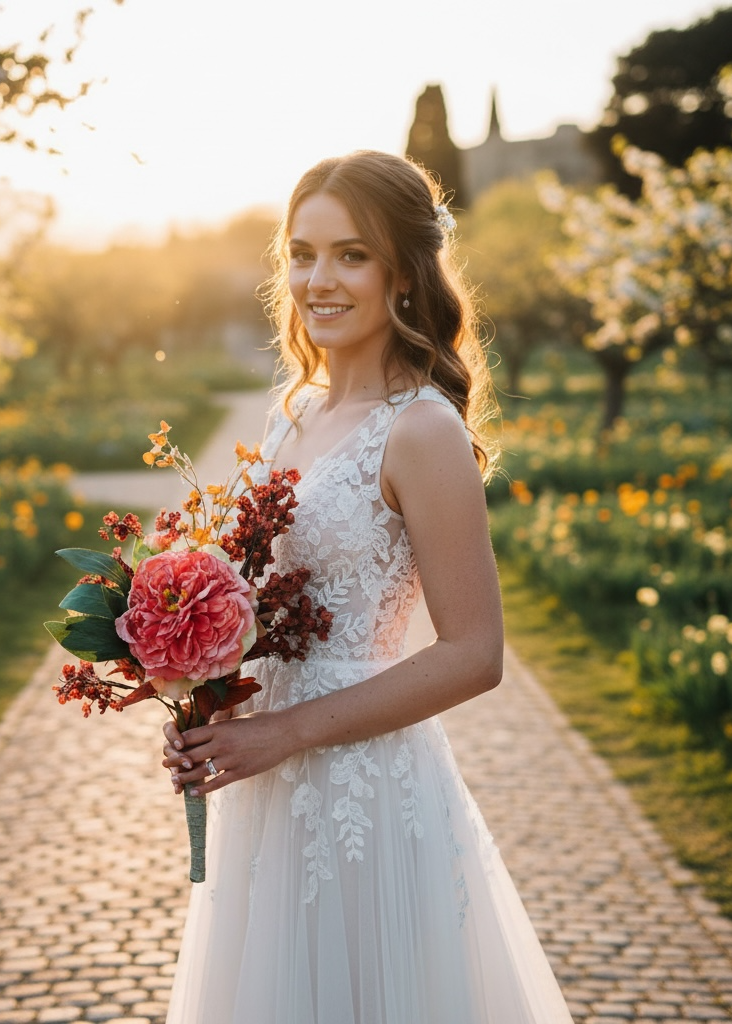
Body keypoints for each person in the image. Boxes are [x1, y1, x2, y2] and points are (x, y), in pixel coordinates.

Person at [161, 150, 574, 1023]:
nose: (319, 278)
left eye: (351, 254)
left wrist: (288, 731)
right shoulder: (293, 414)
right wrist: (212, 711)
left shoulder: (421, 430)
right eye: (302, 253)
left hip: (362, 790)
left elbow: (475, 654)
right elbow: (264, 609)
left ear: (403, 274)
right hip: (265, 791)